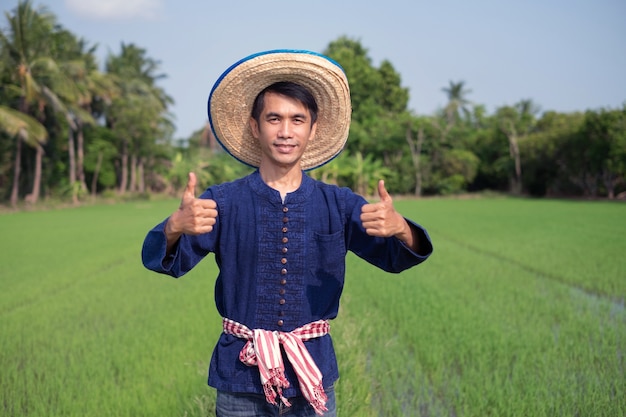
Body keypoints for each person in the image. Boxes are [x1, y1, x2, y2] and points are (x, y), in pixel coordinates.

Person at [141, 49, 433, 417]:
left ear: (313, 129)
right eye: (273, 118)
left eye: (298, 120)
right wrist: (173, 227)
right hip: (240, 381)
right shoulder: (223, 202)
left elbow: (395, 258)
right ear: (254, 126)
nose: (285, 131)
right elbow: (164, 261)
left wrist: (402, 229)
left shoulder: (338, 204)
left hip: (312, 378)